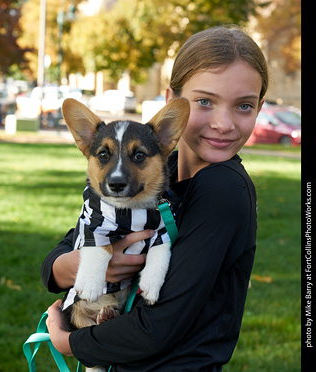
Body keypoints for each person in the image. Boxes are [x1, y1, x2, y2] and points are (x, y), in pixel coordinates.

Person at [42, 25, 269, 371]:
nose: (223, 123)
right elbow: (66, 248)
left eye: (244, 106)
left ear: (260, 106)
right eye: (205, 101)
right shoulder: (153, 172)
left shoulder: (222, 189)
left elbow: (158, 325)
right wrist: (68, 267)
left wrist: (70, 342)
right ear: (171, 103)